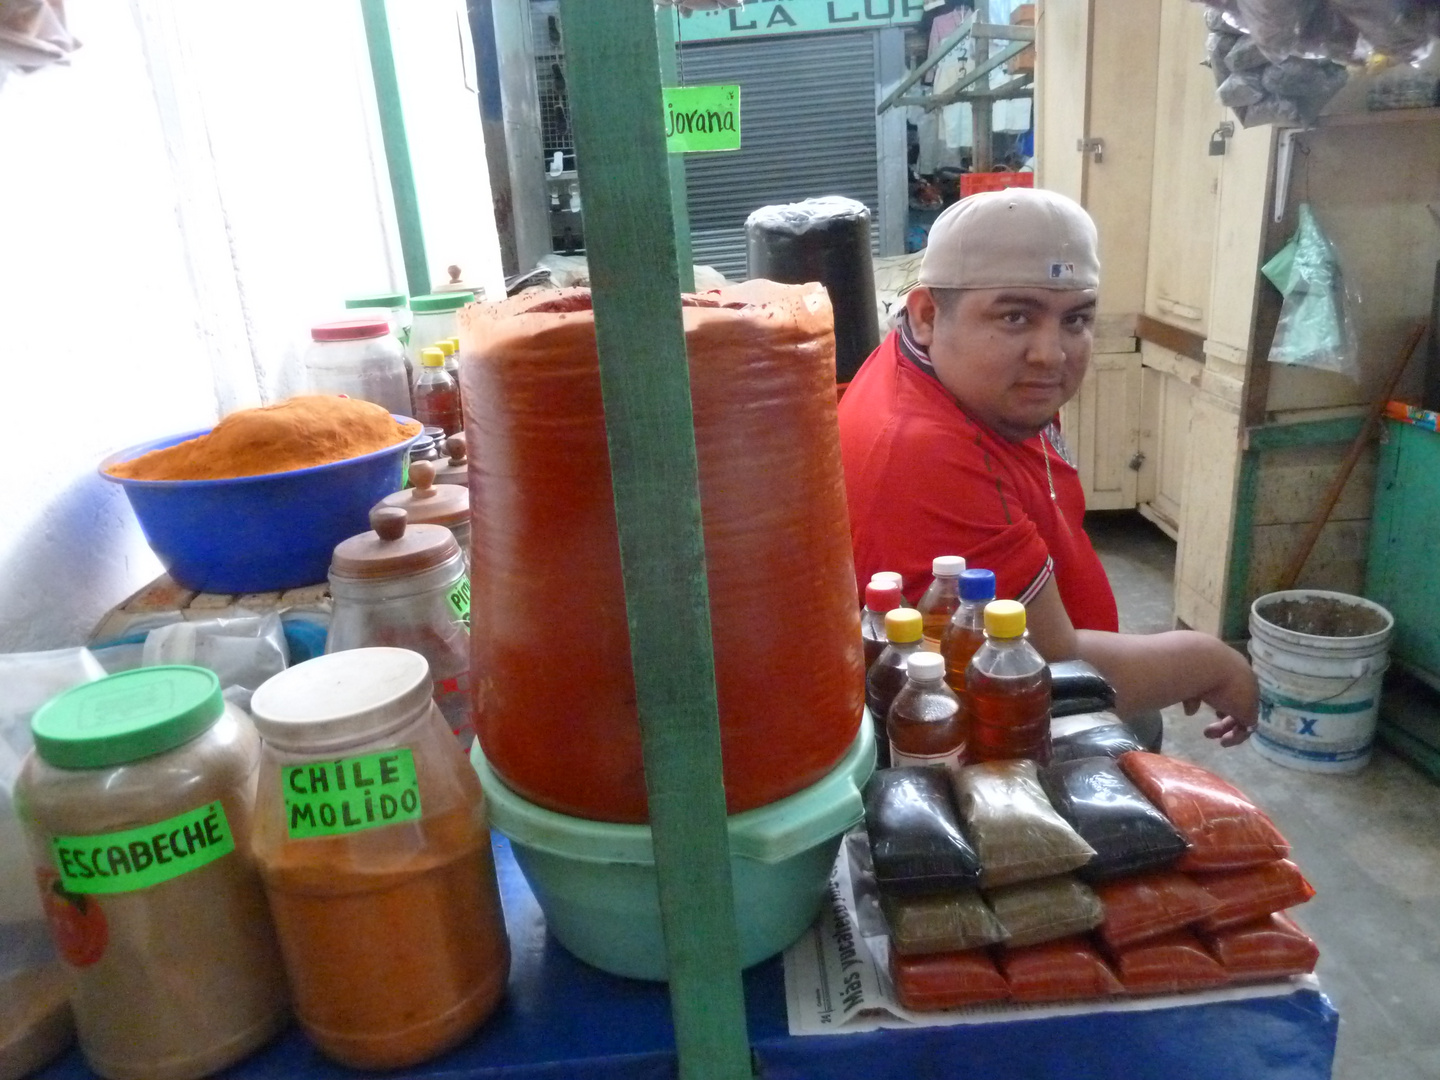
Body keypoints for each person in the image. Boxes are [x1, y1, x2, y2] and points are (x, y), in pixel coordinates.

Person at [838, 188, 1258, 746]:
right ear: (927, 315)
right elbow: (1038, 662)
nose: (1052, 354)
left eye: (1076, 319)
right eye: (1015, 316)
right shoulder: (923, 452)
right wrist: (1210, 661)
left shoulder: (957, 376)